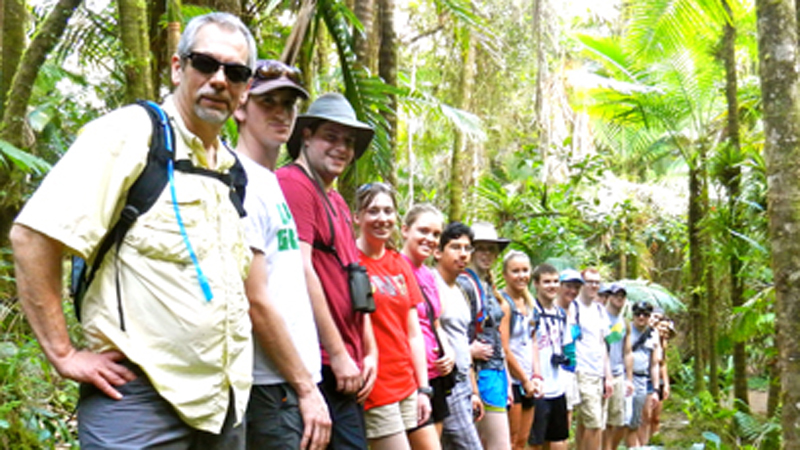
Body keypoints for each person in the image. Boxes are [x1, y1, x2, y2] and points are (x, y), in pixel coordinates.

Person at [10, 12, 257, 448]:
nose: (220, 80)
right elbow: (33, 235)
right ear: (179, 68)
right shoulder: (131, 134)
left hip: (223, 405)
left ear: (245, 88)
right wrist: (64, 354)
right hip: (138, 400)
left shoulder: (231, 170)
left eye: (235, 72)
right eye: (205, 64)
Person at [232, 60, 331, 450]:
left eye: (288, 104)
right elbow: (255, 299)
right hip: (272, 386)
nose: (280, 113)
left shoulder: (270, 182)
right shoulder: (242, 183)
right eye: (267, 101)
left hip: (290, 382)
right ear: (240, 107)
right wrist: (305, 387)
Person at [277, 93, 378, 449]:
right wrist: (337, 353)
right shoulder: (293, 184)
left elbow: (354, 277)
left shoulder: (335, 199)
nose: (341, 148)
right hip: (317, 362)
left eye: (348, 141)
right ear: (305, 136)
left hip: (346, 366)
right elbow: (300, 269)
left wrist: (369, 352)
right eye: (330, 137)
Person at [354, 183, 440, 450]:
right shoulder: (350, 262)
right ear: (357, 217)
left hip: (408, 384)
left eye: (388, 211)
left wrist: (423, 389)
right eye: (373, 211)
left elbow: (413, 332)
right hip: (376, 389)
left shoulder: (399, 263)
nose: (382, 218)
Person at [400, 204, 456, 437]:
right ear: (405, 230)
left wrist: (449, 350)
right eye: (423, 231)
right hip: (410, 376)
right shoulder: (396, 267)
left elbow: (435, 323)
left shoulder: (428, 274)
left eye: (435, 234)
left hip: (436, 375)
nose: (429, 239)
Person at [457, 222, 511, 450]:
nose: (487, 254)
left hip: (495, 371)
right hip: (480, 374)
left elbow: (498, 336)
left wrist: (507, 379)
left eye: (492, 249)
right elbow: (460, 334)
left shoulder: (487, 285)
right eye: (481, 248)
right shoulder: (464, 284)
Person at [434, 222, 484, 450]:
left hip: (464, 382)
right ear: (438, 251)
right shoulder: (432, 284)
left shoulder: (461, 290)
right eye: (455, 247)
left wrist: (474, 391)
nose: (463, 254)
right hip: (446, 383)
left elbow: (463, 342)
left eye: (467, 248)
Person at [498, 250, 543, 450]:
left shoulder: (531, 304)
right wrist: (524, 379)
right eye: (515, 271)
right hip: (512, 380)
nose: (521, 275)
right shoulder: (503, 303)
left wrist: (536, 376)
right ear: (505, 274)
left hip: (528, 381)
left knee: (523, 439)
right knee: (511, 440)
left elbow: (533, 342)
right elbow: (504, 348)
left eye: (525, 270)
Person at [528, 263, 571, 450]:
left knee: (557, 440)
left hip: (557, 385)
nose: (552, 286)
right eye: (546, 282)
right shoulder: (530, 312)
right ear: (536, 284)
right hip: (538, 386)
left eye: (555, 282)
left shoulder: (561, 314)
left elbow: (566, 347)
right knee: (535, 441)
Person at [570, 268, 613, 450]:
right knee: (594, 423)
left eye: (597, 282)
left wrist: (608, 375)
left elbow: (603, 343)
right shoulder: (573, 307)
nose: (594, 286)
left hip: (598, 372)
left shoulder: (600, 310)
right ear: (582, 284)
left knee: (588, 423)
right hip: (582, 371)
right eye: (590, 281)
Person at [601, 283, 632, 450]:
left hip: (619, 375)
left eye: (622, 296)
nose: (619, 298)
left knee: (617, 420)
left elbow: (627, 352)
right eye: (615, 295)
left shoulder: (625, 323)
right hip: (601, 375)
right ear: (609, 297)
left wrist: (629, 379)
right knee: (599, 421)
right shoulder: (601, 317)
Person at [625, 301, 660, 449]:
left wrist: (656, 389)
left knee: (642, 418)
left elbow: (654, 363)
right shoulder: (625, 330)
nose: (641, 317)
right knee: (624, 420)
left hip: (642, 379)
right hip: (625, 378)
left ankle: (641, 445)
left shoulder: (653, 334)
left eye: (645, 314)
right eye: (638, 314)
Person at [556, 269, 583, 428]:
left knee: (567, 417)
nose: (572, 291)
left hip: (572, 370)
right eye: (568, 286)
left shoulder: (576, 309)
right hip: (557, 371)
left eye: (576, 287)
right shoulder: (551, 309)